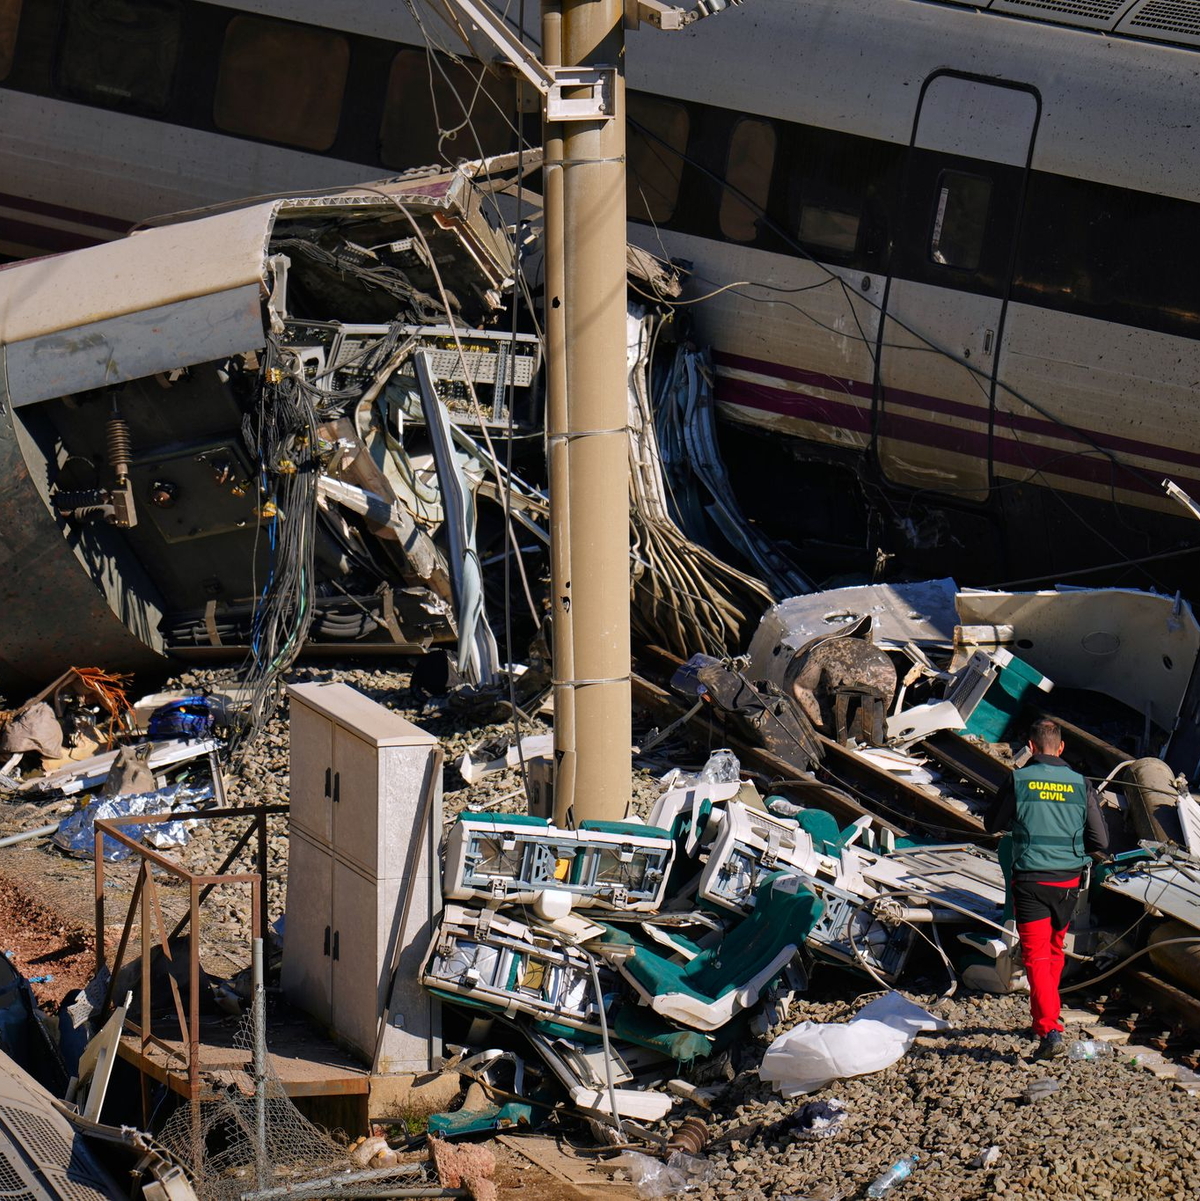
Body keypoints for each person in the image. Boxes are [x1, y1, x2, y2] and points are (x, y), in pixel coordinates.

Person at [985, 717, 1108, 1059]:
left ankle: (1049, 1029)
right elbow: (1100, 839)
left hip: (1031, 880)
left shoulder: (1019, 779)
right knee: (1054, 949)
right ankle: (1047, 1017)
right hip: (1068, 882)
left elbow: (991, 824)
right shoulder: (1081, 783)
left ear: (1032, 747)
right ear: (1062, 748)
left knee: (1036, 955)